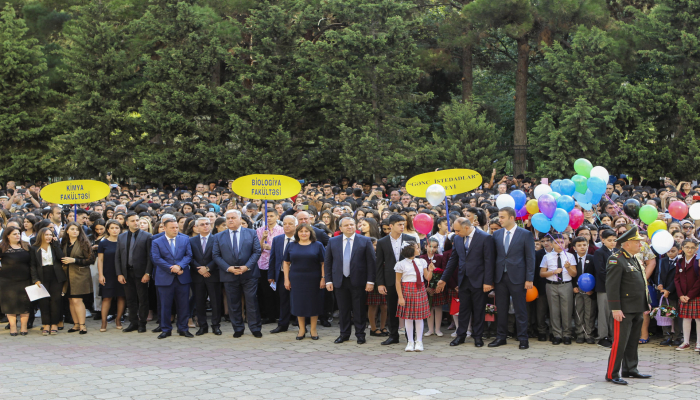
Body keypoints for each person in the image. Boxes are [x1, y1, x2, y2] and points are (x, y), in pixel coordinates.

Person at [605, 226, 652, 385]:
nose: (640, 244)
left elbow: (642, 283)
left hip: (637, 307)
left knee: (633, 341)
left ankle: (630, 369)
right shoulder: (616, 259)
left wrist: (647, 303)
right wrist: (615, 308)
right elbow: (612, 286)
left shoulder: (634, 258)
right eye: (637, 242)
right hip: (623, 309)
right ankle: (612, 373)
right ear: (627, 243)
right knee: (620, 342)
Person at [437, 217, 494, 347]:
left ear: (466, 227)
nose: (455, 233)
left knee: (479, 310)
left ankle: (478, 337)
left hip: (479, 280)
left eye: (457, 230)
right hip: (463, 280)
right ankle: (460, 335)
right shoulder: (457, 238)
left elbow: (489, 261)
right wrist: (444, 279)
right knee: (463, 309)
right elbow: (453, 260)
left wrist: (488, 282)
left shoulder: (485, 237)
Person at [324, 217, 376, 344]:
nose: (349, 227)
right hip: (340, 281)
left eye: (352, 224)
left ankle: (360, 334)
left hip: (358, 280)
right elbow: (328, 262)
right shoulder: (333, 241)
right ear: (340, 228)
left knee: (358, 309)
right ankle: (344, 334)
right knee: (343, 309)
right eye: (346, 225)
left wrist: (370, 281)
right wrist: (328, 280)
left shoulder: (364, 241)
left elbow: (371, 262)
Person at [490, 207, 535, 349]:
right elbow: (493, 257)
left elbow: (530, 258)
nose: (500, 220)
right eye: (499, 217)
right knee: (501, 309)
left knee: (520, 309)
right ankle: (501, 337)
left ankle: (523, 338)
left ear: (511, 218)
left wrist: (529, 279)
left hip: (518, 277)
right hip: (500, 277)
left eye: (502, 217)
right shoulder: (496, 234)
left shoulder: (525, 234)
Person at [212, 209, 263, 338]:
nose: (230, 220)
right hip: (229, 274)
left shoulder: (251, 233)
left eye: (233, 217)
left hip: (249, 274)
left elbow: (256, 251)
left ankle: (255, 328)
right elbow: (216, 255)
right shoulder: (219, 236)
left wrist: (247, 267)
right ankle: (238, 328)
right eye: (228, 218)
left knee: (251, 302)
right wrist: (228, 268)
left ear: (240, 219)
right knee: (233, 303)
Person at [375, 214, 415, 345]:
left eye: (403, 224)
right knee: (392, 308)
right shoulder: (382, 242)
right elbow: (379, 264)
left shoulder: (410, 239)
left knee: (410, 308)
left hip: (408, 279)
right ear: (391, 226)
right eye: (399, 224)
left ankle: (411, 336)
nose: (402, 227)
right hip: (390, 280)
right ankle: (393, 335)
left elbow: (415, 260)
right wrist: (380, 283)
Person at [151, 218, 193, 339]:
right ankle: (165, 329)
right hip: (164, 278)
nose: (175, 230)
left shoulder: (185, 239)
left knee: (183, 305)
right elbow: (156, 258)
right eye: (172, 228)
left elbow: (188, 255)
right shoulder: (157, 241)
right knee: (165, 305)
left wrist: (179, 266)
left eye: (176, 227)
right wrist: (171, 268)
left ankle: (183, 329)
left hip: (182, 277)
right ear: (164, 228)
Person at [283, 224, 326, 340]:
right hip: (296, 279)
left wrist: (323, 278)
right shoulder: (291, 245)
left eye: (306, 231)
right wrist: (286, 279)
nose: (303, 233)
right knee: (299, 303)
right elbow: (286, 263)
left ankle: (313, 329)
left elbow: (323, 263)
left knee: (314, 304)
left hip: (314, 279)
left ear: (311, 233)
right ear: (297, 233)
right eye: (301, 231)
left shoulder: (318, 245)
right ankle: (301, 329)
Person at [115, 212, 153, 333]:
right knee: (130, 299)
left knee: (142, 299)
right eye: (133, 221)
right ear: (127, 223)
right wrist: (119, 273)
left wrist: (147, 273)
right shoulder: (121, 237)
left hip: (141, 273)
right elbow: (118, 257)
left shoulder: (147, 236)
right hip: (126, 273)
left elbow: (150, 256)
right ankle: (133, 322)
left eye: (137, 220)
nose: (136, 222)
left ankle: (142, 323)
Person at [395, 241, 434, 352]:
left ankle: (419, 341)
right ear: (410, 250)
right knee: (408, 317)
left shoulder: (421, 261)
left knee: (419, 317)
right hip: (407, 290)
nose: (419, 249)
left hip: (419, 290)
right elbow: (398, 282)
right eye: (417, 248)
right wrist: (400, 297)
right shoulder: (401, 264)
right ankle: (410, 342)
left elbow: (427, 277)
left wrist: (431, 270)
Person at [540, 233, 577, 345]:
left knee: (566, 310)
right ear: (551, 244)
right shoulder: (547, 256)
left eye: (561, 242)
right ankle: (556, 334)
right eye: (556, 242)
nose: (559, 244)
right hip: (551, 285)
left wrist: (568, 267)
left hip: (566, 284)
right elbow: (542, 273)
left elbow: (574, 274)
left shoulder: (570, 256)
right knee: (554, 310)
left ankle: (567, 334)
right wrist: (553, 272)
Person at [29, 227, 66, 335]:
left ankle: (54, 324)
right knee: (44, 301)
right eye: (46, 235)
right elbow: (32, 265)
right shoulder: (34, 248)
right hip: (42, 275)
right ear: (41, 235)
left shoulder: (54, 246)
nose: (49, 237)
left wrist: (55, 244)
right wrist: (35, 279)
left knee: (56, 301)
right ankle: (46, 324)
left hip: (56, 275)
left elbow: (61, 257)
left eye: (50, 234)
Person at [60, 222, 96, 334]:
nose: (75, 231)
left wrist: (74, 260)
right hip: (67, 275)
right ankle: (75, 324)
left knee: (77, 300)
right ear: (67, 231)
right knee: (71, 300)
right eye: (72, 229)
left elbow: (91, 260)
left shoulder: (84, 243)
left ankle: (82, 325)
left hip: (80, 275)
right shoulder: (64, 243)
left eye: (77, 229)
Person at [189, 217, 222, 336]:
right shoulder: (191, 241)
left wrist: (208, 268)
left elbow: (219, 256)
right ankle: (203, 326)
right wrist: (200, 269)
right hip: (197, 276)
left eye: (207, 224)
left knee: (215, 302)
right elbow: (190, 257)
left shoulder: (217, 239)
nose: (205, 226)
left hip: (213, 275)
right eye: (202, 224)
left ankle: (216, 326)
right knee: (199, 302)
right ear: (197, 227)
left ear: (211, 225)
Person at [0, 226, 34, 336]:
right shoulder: (2, 247)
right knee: (10, 304)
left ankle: (24, 327)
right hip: (7, 281)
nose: (17, 235)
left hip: (25, 280)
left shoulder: (26, 245)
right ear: (8, 235)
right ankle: (13, 327)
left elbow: (32, 262)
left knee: (25, 304)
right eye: (14, 234)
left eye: (18, 233)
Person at [268, 215, 297, 333]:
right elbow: (273, 258)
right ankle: (283, 324)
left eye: (290, 223)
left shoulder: (301, 239)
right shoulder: (277, 239)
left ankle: (301, 324)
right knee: (283, 300)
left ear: (296, 225)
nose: (287, 226)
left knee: (298, 300)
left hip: (297, 276)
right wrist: (271, 275)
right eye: (285, 223)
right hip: (281, 275)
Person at [256, 208, 284, 325]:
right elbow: (258, 248)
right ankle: (269, 315)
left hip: (278, 264)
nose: (269, 218)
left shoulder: (282, 230)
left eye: (271, 216)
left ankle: (281, 314)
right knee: (266, 291)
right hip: (263, 264)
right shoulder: (259, 230)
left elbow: (283, 248)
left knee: (279, 291)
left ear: (277, 217)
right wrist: (263, 238)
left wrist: (271, 247)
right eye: (266, 216)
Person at [97, 220, 125, 332]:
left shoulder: (123, 242)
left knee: (121, 296)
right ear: (107, 229)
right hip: (107, 273)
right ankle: (104, 323)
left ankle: (118, 319)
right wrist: (100, 275)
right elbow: (100, 260)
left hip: (121, 273)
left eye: (117, 227)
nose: (115, 230)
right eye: (112, 228)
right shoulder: (103, 243)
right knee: (107, 297)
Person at [674, 239, 700, 351]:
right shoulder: (680, 261)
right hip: (683, 295)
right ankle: (686, 341)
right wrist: (680, 295)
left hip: (695, 294)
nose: (689, 249)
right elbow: (676, 279)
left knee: (698, 319)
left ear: (696, 249)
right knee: (686, 318)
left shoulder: (697, 261)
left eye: (692, 247)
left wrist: (689, 295)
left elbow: (699, 280)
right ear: (682, 248)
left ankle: (699, 343)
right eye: (687, 247)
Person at [594, 229, 617, 348]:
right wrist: (613, 282)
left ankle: (613, 335)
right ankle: (602, 337)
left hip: (617, 288)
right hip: (604, 287)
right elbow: (601, 271)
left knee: (614, 312)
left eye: (614, 240)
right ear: (602, 240)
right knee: (604, 313)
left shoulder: (617, 252)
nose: (612, 243)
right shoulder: (599, 253)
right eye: (609, 240)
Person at [571, 236, 596, 344]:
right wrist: (573, 287)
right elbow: (570, 275)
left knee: (589, 312)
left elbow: (596, 274)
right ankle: (580, 334)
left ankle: (588, 334)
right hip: (577, 290)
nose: (582, 247)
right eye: (579, 245)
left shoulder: (592, 258)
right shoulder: (572, 259)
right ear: (574, 248)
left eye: (584, 245)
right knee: (578, 312)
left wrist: (593, 289)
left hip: (589, 290)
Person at [656, 243, 681, 346]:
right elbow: (658, 273)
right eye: (668, 251)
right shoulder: (662, 261)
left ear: (679, 251)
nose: (670, 253)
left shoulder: (680, 262)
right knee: (665, 315)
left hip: (674, 292)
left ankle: (678, 336)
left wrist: (669, 290)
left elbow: (677, 278)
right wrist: (659, 284)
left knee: (676, 315)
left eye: (673, 251)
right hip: (663, 292)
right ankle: (667, 336)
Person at [421, 237, 446, 337]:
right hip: (426, 287)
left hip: (438, 286)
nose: (432, 249)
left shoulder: (440, 257)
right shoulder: (421, 258)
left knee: (438, 307)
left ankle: (438, 329)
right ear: (426, 246)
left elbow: (444, 270)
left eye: (435, 247)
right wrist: (425, 287)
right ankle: (430, 329)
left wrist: (436, 270)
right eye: (430, 246)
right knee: (429, 307)